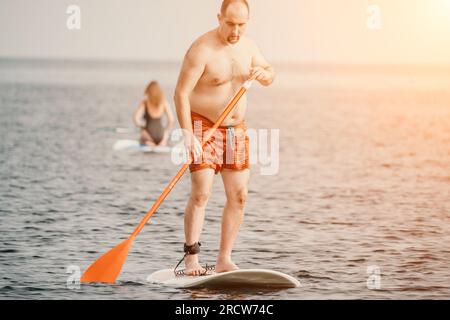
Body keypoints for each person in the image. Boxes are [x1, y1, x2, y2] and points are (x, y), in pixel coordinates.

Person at [173, 0, 276, 275]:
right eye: (230, 23)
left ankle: (224, 259)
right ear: (219, 17)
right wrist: (186, 133)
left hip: (235, 127)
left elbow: (270, 73)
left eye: (241, 24)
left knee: (239, 196)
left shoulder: (250, 46)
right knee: (202, 192)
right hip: (202, 124)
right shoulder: (201, 49)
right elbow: (181, 93)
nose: (235, 30)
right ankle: (192, 259)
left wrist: (264, 75)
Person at [133, 81, 174, 146]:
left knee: (142, 135)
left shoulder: (145, 103)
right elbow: (171, 120)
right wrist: (166, 131)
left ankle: (149, 143)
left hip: (148, 135)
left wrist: (142, 127)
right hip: (161, 134)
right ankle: (162, 142)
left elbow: (136, 118)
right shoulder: (164, 103)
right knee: (166, 135)